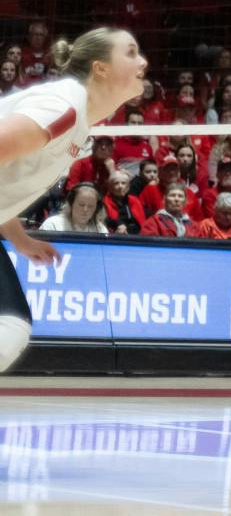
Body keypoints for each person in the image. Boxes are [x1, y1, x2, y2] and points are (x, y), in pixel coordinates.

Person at [0, 29, 147, 374]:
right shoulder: (63, 107)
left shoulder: (78, 121)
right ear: (101, 68)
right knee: (9, 327)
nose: (143, 61)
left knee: (10, 326)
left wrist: (18, 237)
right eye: (130, 52)